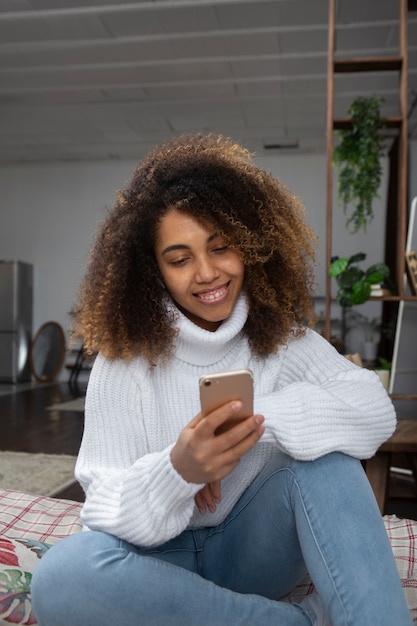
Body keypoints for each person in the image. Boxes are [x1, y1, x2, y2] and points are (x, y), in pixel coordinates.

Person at [31, 134, 412, 626]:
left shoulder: (282, 339)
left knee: (330, 461)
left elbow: (375, 410)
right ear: (153, 271)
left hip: (250, 555)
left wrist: (250, 423)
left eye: (221, 247)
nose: (208, 273)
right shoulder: (123, 362)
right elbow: (101, 504)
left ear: (249, 245)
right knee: (62, 576)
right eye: (180, 258)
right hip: (156, 565)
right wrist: (179, 469)